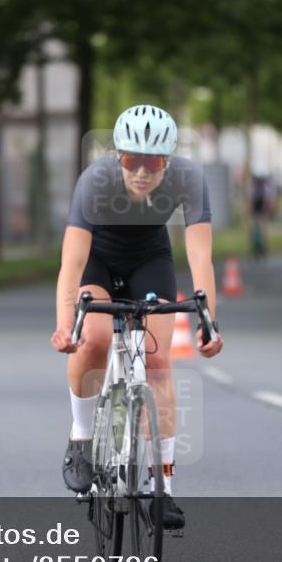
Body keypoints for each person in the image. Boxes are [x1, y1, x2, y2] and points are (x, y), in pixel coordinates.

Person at [49, 105, 224, 530]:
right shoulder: (95, 181)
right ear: (117, 157)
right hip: (98, 260)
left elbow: (200, 256)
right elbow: (72, 263)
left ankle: (160, 485)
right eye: (132, 161)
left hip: (150, 259)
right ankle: (81, 437)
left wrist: (208, 321)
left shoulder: (188, 178)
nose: (142, 172)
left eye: (153, 163)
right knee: (93, 340)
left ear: (168, 162)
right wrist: (64, 322)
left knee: (160, 363)